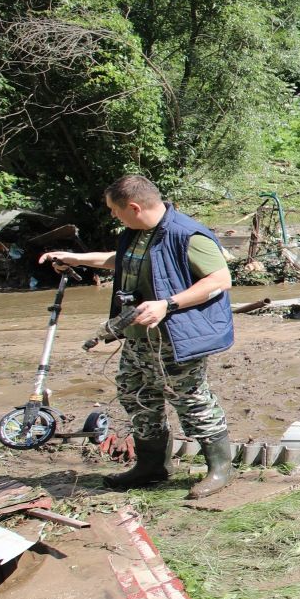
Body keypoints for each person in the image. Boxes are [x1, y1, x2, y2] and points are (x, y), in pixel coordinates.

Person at [40, 174, 237, 498]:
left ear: (133, 207)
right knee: (135, 394)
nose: (113, 216)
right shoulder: (136, 233)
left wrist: (167, 304)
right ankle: (153, 466)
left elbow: (220, 280)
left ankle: (219, 469)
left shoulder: (187, 234)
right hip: (138, 337)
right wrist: (75, 258)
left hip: (176, 338)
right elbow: (120, 261)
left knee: (191, 401)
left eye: (114, 211)